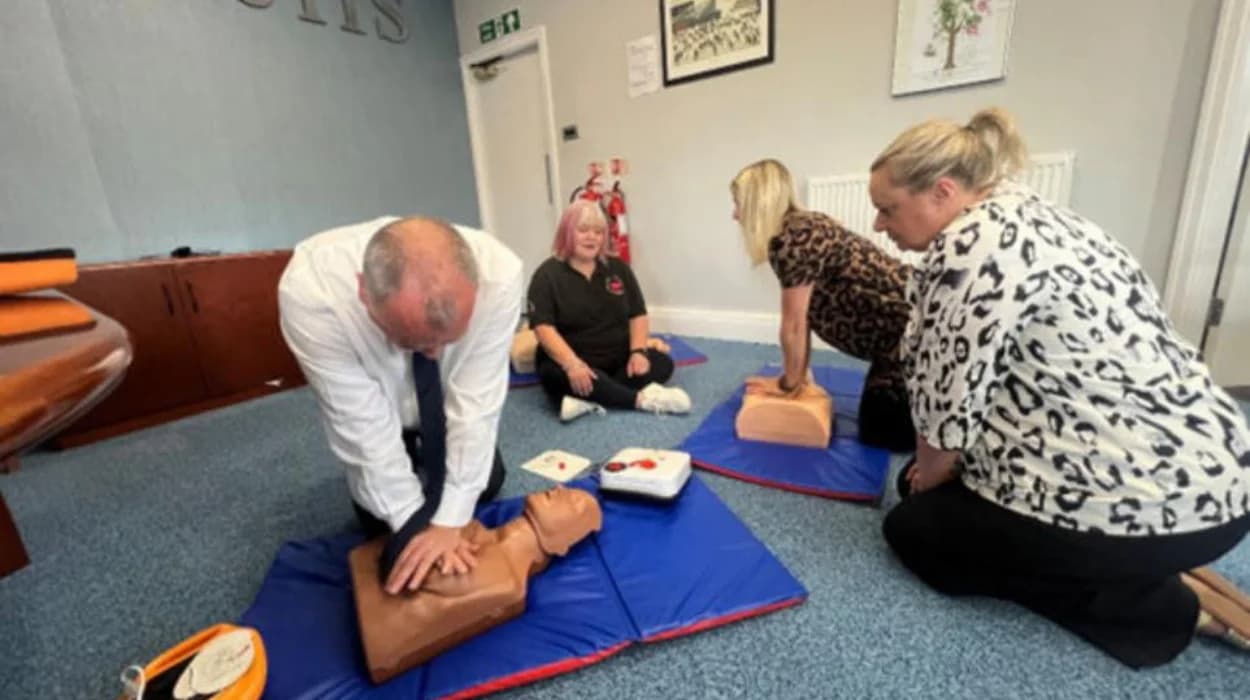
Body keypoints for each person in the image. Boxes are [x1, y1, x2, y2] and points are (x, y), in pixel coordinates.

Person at [873, 107, 1250, 666]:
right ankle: (1138, 557)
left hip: (1156, 513)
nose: (880, 226)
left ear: (942, 192)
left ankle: (1161, 605)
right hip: (1228, 491)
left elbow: (943, 420)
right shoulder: (1046, 216)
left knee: (915, 524)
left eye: (887, 209)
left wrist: (929, 478)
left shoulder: (965, 247)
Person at [278, 216, 522, 596]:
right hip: (381, 405)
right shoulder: (313, 294)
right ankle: (412, 455)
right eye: (417, 343)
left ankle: (433, 460)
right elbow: (360, 426)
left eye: (448, 340)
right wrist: (415, 524)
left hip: (442, 403)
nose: (436, 353)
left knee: (485, 483)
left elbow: (477, 403)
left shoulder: (501, 276)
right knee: (380, 520)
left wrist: (450, 520)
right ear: (363, 292)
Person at [731, 159, 915, 451]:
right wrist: (793, 378)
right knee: (876, 424)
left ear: (757, 205)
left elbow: (793, 325)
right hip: (896, 336)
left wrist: (787, 386)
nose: (735, 215)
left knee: (885, 434)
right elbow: (802, 320)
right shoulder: (803, 225)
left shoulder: (791, 241)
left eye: (738, 204)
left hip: (912, 337)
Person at [349, 485, 602, 683]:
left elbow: (416, 573)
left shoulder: (506, 578)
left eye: (573, 501)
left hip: (377, 611)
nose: (559, 488)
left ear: (560, 545)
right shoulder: (482, 534)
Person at [526, 199, 691, 421]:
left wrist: (638, 352)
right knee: (554, 376)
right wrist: (573, 365)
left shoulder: (618, 269)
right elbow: (543, 328)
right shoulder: (546, 275)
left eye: (598, 231)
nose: (591, 237)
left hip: (616, 356)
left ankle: (590, 398)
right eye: (583, 230)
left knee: (662, 363)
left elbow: (637, 314)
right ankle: (641, 401)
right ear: (567, 232)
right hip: (573, 359)